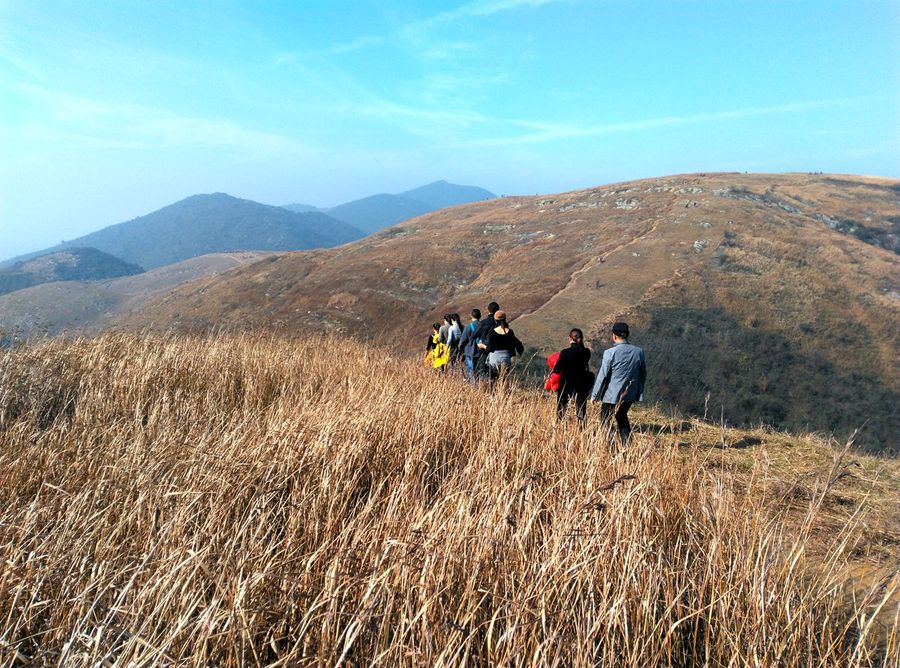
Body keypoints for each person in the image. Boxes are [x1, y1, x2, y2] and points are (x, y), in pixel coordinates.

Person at [590, 322, 646, 444]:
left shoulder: (610, 352)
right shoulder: (639, 352)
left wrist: (594, 395)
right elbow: (642, 374)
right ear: (628, 335)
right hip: (630, 394)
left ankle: (609, 446)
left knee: (605, 419)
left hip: (611, 394)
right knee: (621, 416)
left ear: (614, 336)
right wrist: (639, 392)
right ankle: (627, 446)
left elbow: (602, 375)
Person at [553, 328, 595, 424]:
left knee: (562, 407)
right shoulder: (586, 352)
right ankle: (581, 427)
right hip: (582, 383)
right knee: (581, 408)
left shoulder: (565, 352)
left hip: (566, 383)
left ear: (570, 338)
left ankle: (561, 426)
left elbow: (557, 369)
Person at [478, 310, 524, 385]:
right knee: (503, 380)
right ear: (505, 319)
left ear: (495, 320)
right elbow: (518, 344)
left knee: (492, 381)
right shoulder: (510, 332)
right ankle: (502, 393)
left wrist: (482, 345)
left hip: (494, 360)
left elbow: (490, 349)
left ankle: (493, 394)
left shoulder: (492, 333)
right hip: (506, 359)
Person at [473, 301, 500, 378]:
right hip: (496, 351)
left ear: (488, 310)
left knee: (483, 373)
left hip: (484, 351)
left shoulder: (484, 322)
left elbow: (474, 335)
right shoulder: (500, 324)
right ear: (497, 311)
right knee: (496, 375)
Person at [458, 308, 482, 380]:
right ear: (480, 316)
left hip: (470, 352)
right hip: (482, 352)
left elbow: (462, 340)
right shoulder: (483, 326)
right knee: (480, 371)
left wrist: (460, 348)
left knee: (471, 371)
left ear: (471, 316)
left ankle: (473, 387)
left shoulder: (468, 327)